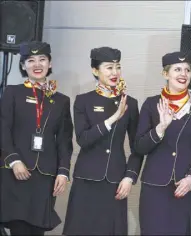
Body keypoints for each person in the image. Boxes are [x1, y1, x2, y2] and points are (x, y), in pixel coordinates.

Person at [62, 47, 142, 235]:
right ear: (95, 71)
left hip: (115, 181)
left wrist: (130, 177)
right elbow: (83, 139)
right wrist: (113, 118)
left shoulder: (131, 103)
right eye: (109, 67)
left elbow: (137, 147)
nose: (115, 73)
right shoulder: (83, 101)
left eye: (118, 67)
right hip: (86, 179)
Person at [135, 51, 191, 235]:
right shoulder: (151, 104)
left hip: (187, 188)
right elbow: (139, 146)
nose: (183, 74)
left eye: (187, 70)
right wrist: (160, 128)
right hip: (155, 190)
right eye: (177, 69)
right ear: (165, 74)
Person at [0, 41, 73, 235]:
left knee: (37, 230)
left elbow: (65, 140)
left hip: (45, 177)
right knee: (19, 229)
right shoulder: (12, 93)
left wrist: (63, 172)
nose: (37, 64)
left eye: (42, 59)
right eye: (30, 60)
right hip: (17, 172)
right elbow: (3, 129)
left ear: (50, 64)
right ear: (23, 65)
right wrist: (13, 160)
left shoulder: (61, 100)